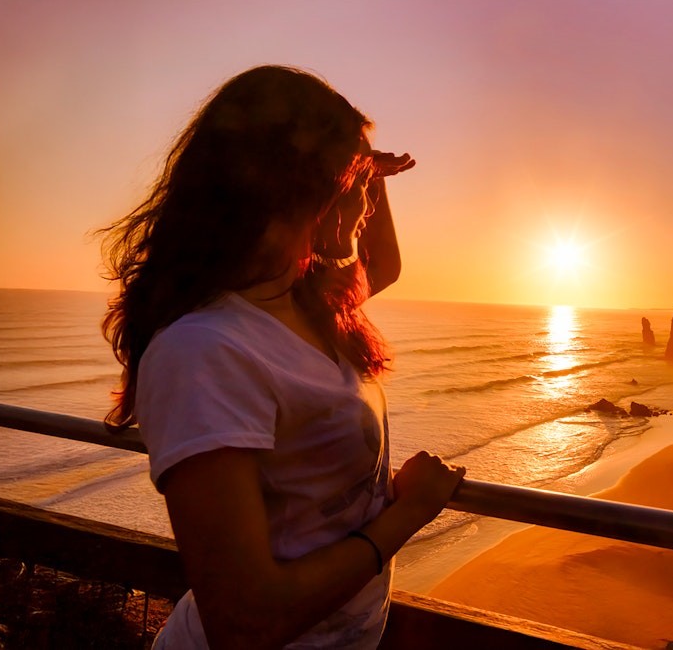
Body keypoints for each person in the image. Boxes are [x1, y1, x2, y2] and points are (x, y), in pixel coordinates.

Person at [99, 65, 466, 649]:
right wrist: (410, 512)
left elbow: (384, 266)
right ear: (298, 183)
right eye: (356, 178)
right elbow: (246, 622)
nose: (367, 200)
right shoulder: (206, 351)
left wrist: (372, 170)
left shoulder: (307, 304)